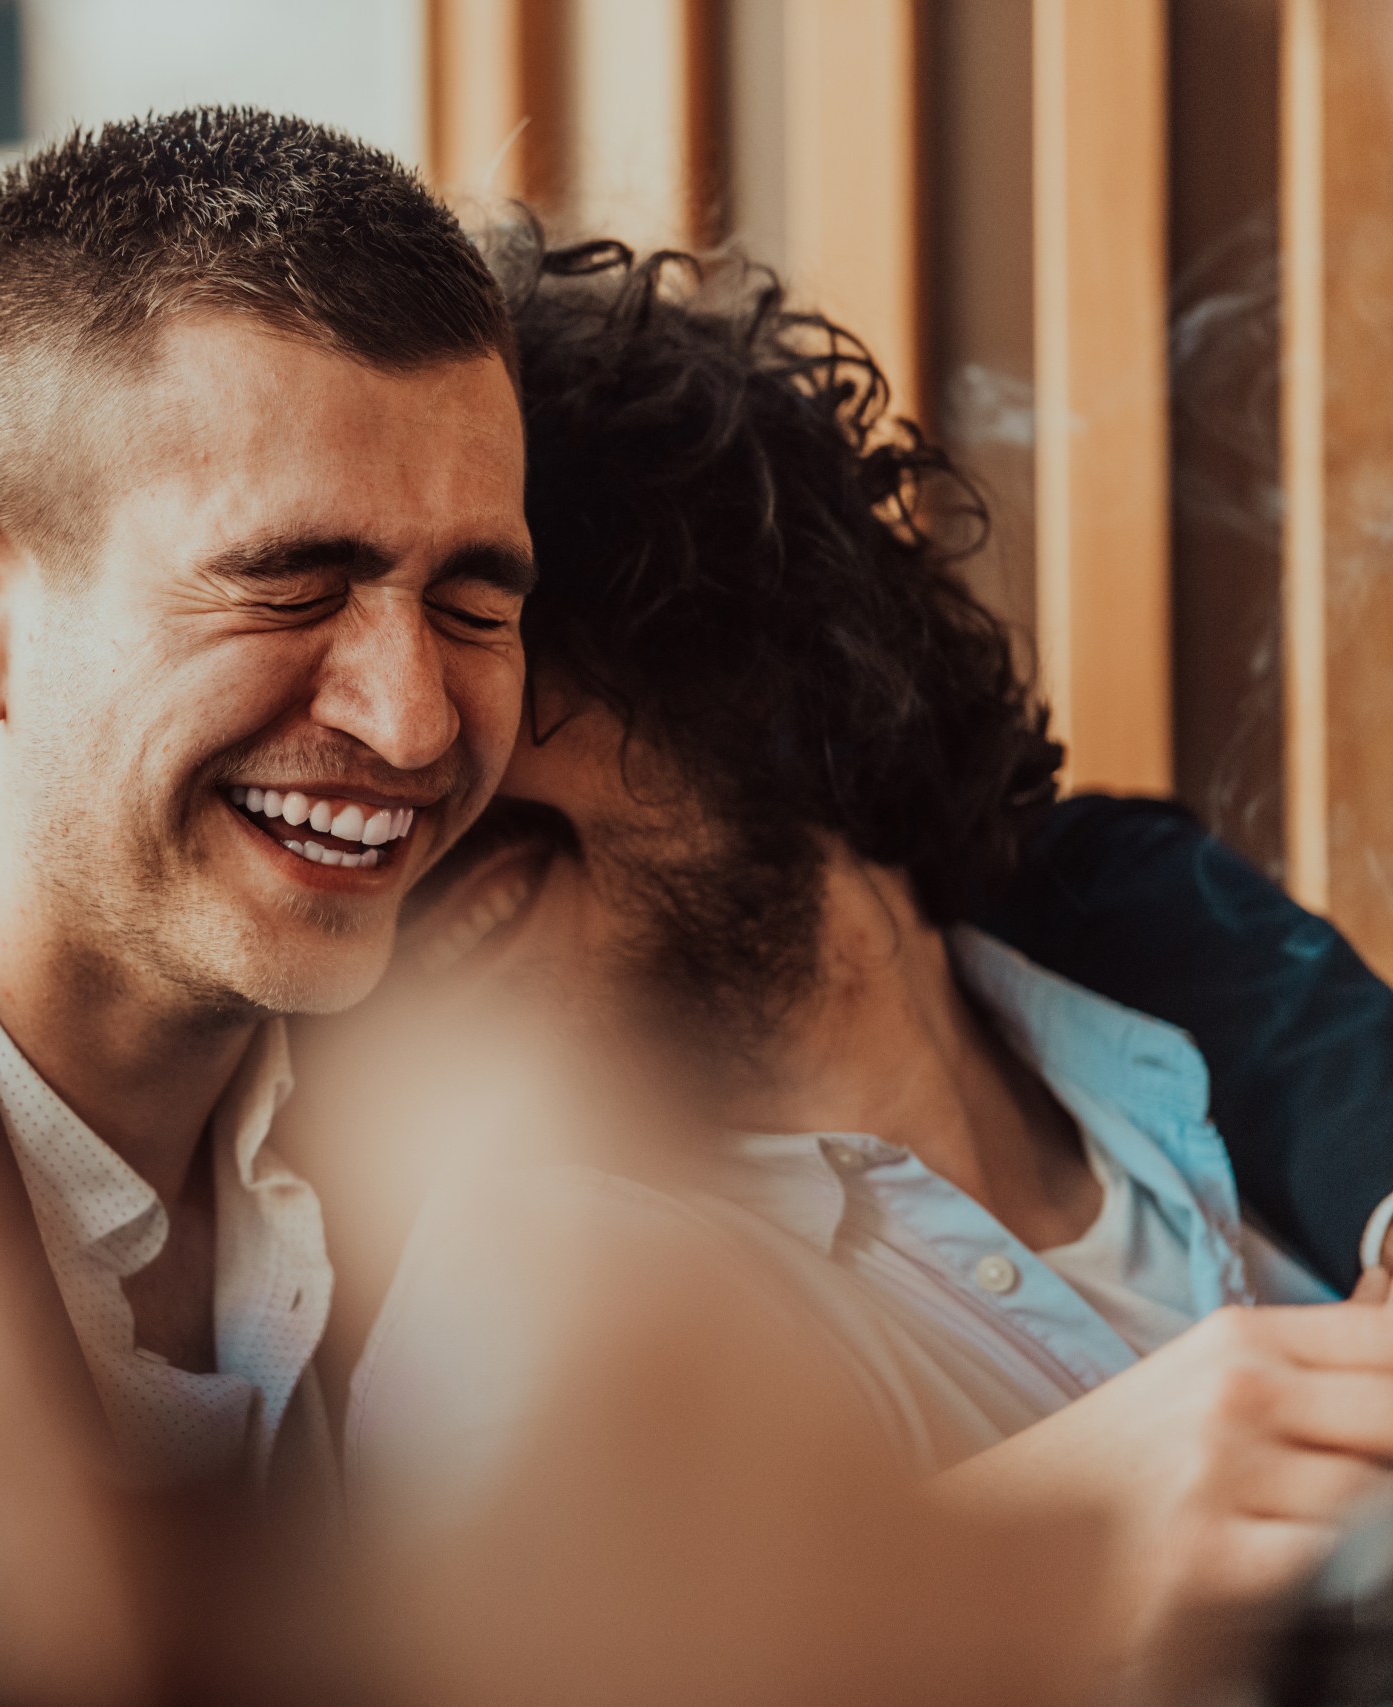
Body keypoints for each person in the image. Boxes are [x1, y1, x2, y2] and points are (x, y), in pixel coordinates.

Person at [0, 117, 1391, 1707]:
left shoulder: (320, 922)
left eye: (475, 596)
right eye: (285, 584)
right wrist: (993, 1569)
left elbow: (984, 860)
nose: (408, 720)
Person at [344, 234, 1393, 1688]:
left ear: (724, 647)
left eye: (484, 634)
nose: (399, 776)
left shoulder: (1176, 994)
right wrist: (1018, 1565)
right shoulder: (537, 1305)